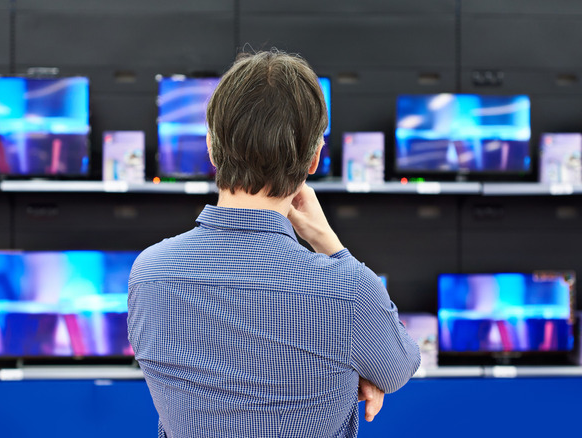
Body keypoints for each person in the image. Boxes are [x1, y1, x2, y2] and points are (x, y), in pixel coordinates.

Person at [127, 50, 420, 438]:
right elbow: (399, 365)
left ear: (213, 150)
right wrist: (330, 246)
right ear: (314, 159)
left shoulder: (148, 273)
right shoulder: (347, 290)